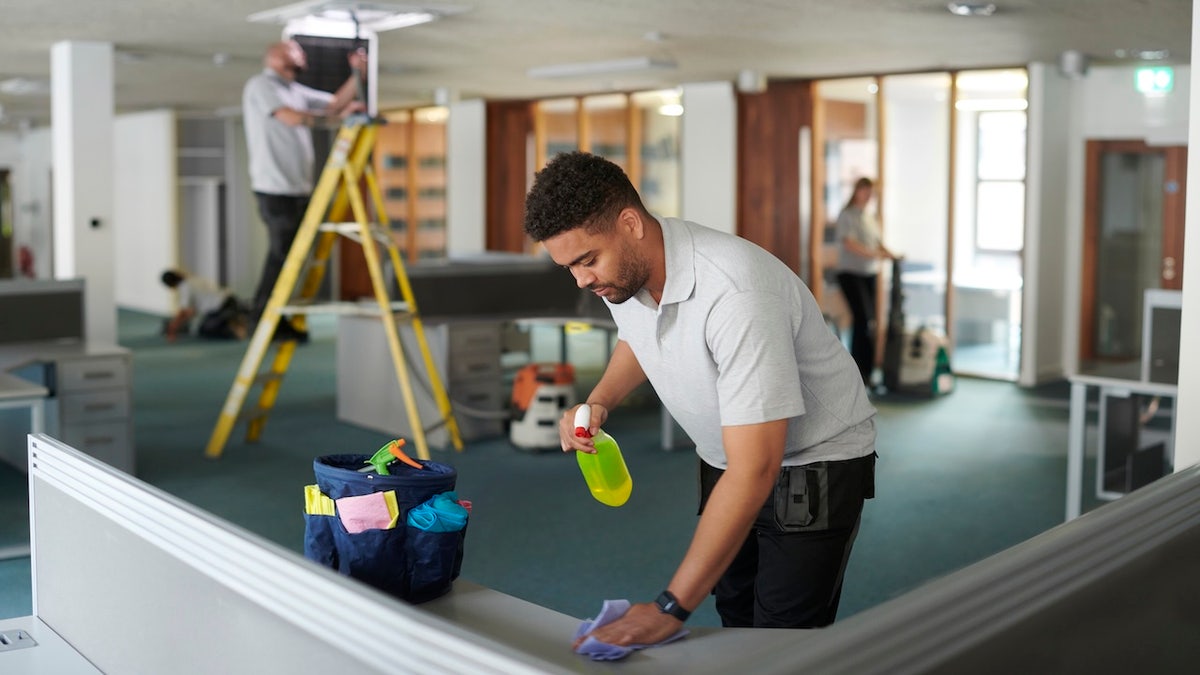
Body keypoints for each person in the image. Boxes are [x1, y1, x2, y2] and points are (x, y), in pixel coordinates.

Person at [523, 152, 878, 647]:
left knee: (780, 638)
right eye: (569, 267)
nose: (581, 280)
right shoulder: (631, 274)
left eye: (587, 260)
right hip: (724, 457)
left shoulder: (735, 291)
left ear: (629, 223)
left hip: (813, 461)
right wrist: (601, 400)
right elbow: (638, 338)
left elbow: (757, 467)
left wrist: (670, 607)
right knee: (735, 611)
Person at [242, 39, 366, 342]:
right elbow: (292, 117)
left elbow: (334, 103)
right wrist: (337, 117)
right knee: (282, 255)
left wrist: (357, 74)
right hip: (275, 187)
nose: (302, 53)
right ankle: (262, 319)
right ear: (275, 56)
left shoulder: (295, 91)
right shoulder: (262, 86)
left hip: (298, 187)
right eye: (295, 49)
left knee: (294, 256)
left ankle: (276, 317)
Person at [834, 177, 897, 386]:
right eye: (865, 191)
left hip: (869, 274)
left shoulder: (870, 217)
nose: (868, 195)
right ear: (857, 191)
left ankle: (868, 371)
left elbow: (878, 243)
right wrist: (872, 254)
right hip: (851, 273)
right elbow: (849, 243)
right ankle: (857, 371)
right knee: (862, 319)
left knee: (870, 322)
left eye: (871, 192)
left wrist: (890, 254)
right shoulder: (847, 215)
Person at [160, 269, 248, 341]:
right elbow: (192, 311)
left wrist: (173, 327)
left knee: (205, 330)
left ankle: (235, 329)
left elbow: (183, 312)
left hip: (220, 307)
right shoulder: (193, 278)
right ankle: (235, 320)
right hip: (230, 299)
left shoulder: (185, 287)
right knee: (206, 323)